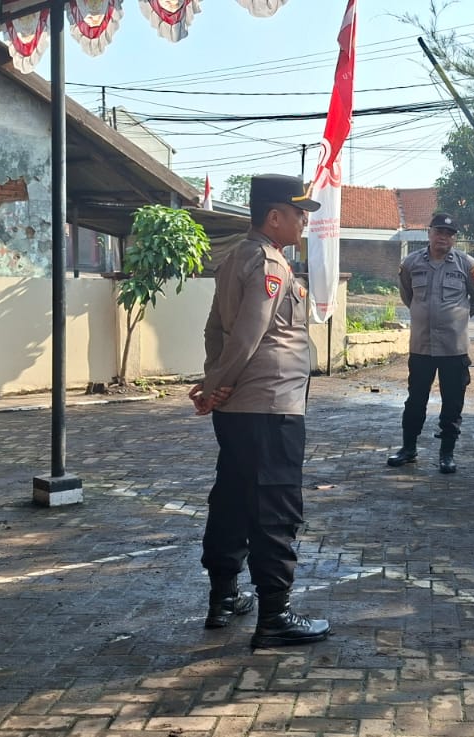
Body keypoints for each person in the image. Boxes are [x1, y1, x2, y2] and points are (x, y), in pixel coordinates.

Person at [190, 173, 331, 647]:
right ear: (274, 217)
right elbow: (249, 335)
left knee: (231, 500)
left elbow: (214, 330)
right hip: (271, 409)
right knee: (274, 506)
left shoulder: (235, 257)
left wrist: (215, 383)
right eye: (298, 213)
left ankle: (224, 597)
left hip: (241, 410)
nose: (304, 222)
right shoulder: (270, 263)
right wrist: (216, 387)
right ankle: (275, 614)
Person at [386, 213, 474, 473]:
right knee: (415, 400)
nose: (443, 237)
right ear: (429, 233)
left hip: (453, 348)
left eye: (449, 233)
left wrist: (457, 318)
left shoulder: (467, 264)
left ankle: (447, 453)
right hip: (421, 346)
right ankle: (408, 448)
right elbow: (407, 295)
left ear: (454, 238)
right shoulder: (411, 263)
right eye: (439, 231)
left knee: (452, 402)